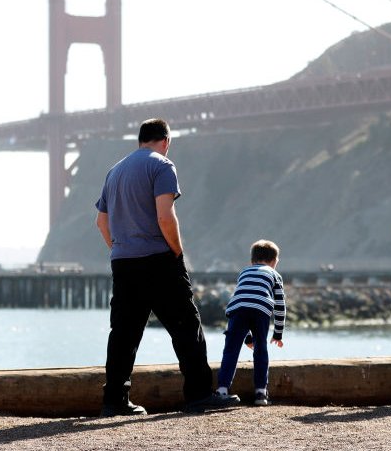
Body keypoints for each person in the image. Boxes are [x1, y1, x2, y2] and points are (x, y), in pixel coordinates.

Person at [95, 118, 239, 416]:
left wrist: (119, 248)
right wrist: (177, 251)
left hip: (123, 262)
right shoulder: (161, 165)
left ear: (139, 140)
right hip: (158, 260)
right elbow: (164, 216)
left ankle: (114, 401)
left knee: (123, 333)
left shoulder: (115, 171)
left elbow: (101, 221)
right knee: (187, 326)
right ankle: (199, 394)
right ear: (166, 141)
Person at [215, 239, 286, 406]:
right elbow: (280, 306)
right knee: (261, 349)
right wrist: (278, 333)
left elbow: (242, 300)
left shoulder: (244, 271)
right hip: (261, 309)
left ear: (252, 260)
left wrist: (247, 338)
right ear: (274, 261)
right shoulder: (274, 274)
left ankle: (222, 390)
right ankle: (261, 392)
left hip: (237, 309)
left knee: (230, 350)